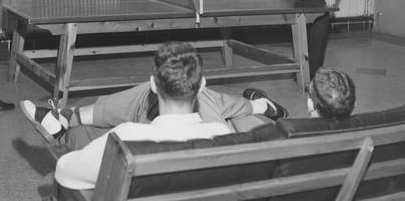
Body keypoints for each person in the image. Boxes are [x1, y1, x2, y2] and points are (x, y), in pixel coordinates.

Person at [50, 41, 236, 189]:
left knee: (76, 139)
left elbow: (65, 173)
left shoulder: (125, 137)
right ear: (202, 85)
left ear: (153, 85)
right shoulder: (222, 133)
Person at [21, 67, 288, 145]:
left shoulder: (128, 137)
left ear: (154, 85)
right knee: (208, 98)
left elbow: (71, 175)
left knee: (142, 97)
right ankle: (260, 106)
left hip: (163, 145)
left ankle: (67, 117)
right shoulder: (229, 138)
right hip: (212, 147)